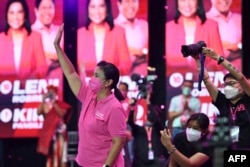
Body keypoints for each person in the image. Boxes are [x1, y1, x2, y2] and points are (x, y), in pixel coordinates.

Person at [54, 24, 127, 167]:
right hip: (83, 163)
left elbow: (119, 142)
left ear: (108, 82)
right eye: (93, 74)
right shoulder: (89, 94)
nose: (92, 79)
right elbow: (70, 74)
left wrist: (106, 166)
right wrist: (57, 47)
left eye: (96, 76)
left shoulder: (114, 107)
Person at [193, 47, 250, 149]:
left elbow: (241, 77)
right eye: (225, 84)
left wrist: (218, 57)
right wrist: (198, 61)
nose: (227, 87)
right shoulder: (222, 101)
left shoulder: (247, 98)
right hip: (227, 149)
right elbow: (206, 80)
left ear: (241, 86)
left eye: (231, 83)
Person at [165, 0, 224, 75]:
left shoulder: (211, 26)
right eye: (183, 0)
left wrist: (201, 72)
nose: (187, 4)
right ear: (177, 3)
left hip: (204, 82)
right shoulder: (167, 28)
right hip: (173, 82)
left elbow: (219, 61)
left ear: (198, 2)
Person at [77, 0, 132, 77]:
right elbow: (74, 67)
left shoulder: (118, 32)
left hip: (111, 84)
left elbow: (126, 65)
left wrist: (107, 75)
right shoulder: (79, 34)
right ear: (87, 9)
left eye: (101, 6)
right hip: (85, 85)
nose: (97, 12)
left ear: (107, 8)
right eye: (93, 7)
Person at [0, 0, 47, 80]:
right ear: (7, 15)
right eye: (12, 13)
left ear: (25, 14)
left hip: (29, 89)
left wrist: (29, 80)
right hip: (5, 89)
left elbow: (42, 68)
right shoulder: (1, 39)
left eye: (19, 12)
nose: (16, 17)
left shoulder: (35, 37)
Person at [32, 0, 64, 99]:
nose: (47, 11)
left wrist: (48, 56)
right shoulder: (31, 32)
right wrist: (58, 58)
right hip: (36, 88)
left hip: (60, 88)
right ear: (36, 10)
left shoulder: (60, 31)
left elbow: (68, 58)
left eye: (50, 7)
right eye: (44, 8)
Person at [127, 88, 168, 167]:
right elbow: (130, 123)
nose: (148, 115)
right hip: (140, 161)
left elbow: (155, 120)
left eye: (150, 113)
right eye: (148, 113)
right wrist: (132, 109)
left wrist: (148, 103)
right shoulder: (139, 130)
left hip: (155, 161)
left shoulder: (157, 129)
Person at [37, 85, 71, 167]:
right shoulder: (45, 105)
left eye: (53, 93)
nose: (51, 94)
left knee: (61, 155)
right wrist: (42, 100)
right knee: (51, 156)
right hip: (50, 134)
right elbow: (38, 112)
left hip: (60, 134)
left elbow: (62, 114)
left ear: (56, 94)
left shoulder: (60, 104)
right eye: (49, 92)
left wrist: (54, 103)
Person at [115, 0, 148, 76]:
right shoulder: (113, 27)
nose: (131, 5)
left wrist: (143, 52)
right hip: (122, 78)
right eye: (127, 1)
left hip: (144, 77)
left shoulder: (144, 25)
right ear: (119, 4)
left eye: (134, 1)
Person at [206, 0, 242, 71]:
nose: (224, 0)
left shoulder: (239, 18)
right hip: (214, 74)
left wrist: (238, 46)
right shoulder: (204, 19)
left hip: (240, 74)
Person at [118, 82, 133, 167]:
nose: (121, 92)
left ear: (127, 91)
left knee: (129, 153)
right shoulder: (115, 102)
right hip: (116, 128)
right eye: (119, 90)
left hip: (127, 128)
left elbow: (131, 118)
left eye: (123, 90)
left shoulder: (130, 102)